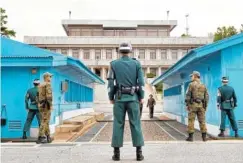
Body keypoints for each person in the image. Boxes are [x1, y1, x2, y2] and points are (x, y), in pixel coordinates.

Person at [107, 42, 145, 161]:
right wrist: (141, 96)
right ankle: (139, 154)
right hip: (133, 99)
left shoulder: (113, 64)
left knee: (118, 124)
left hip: (119, 99)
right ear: (130, 51)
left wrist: (111, 97)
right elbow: (141, 82)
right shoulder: (136, 64)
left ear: (119, 51)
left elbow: (110, 83)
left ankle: (116, 154)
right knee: (136, 124)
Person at [185, 71, 209, 142]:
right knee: (202, 121)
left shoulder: (191, 85)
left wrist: (188, 105)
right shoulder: (203, 85)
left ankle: (190, 137)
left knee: (191, 120)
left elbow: (188, 95)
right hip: (201, 105)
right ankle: (204, 138)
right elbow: (207, 97)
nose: (191, 77)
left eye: (192, 76)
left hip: (193, 105)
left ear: (195, 76)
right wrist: (205, 106)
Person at [36, 72, 53, 144]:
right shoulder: (48, 84)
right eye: (50, 76)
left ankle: (48, 136)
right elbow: (49, 96)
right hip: (46, 105)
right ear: (46, 77)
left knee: (46, 121)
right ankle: (41, 137)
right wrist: (51, 105)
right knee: (44, 121)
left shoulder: (40, 85)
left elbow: (37, 96)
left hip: (41, 105)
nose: (51, 78)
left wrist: (39, 104)